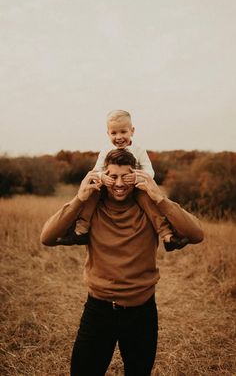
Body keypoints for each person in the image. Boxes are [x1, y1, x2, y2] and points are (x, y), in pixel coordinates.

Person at [40, 149, 204, 376]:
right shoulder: (93, 208)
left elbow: (196, 234)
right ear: (102, 176)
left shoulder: (148, 208)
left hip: (141, 313)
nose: (118, 184)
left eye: (125, 177)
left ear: (136, 176)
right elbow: (46, 238)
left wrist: (158, 197)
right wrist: (80, 198)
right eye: (112, 176)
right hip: (98, 311)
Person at [57, 109, 174, 248]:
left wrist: (137, 177)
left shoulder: (139, 150)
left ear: (132, 131)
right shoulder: (106, 150)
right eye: (114, 133)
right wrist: (102, 177)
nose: (118, 137)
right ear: (108, 134)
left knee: (148, 200)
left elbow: (150, 171)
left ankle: (167, 236)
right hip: (109, 187)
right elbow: (96, 171)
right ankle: (81, 231)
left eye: (123, 132)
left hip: (133, 187)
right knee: (92, 193)